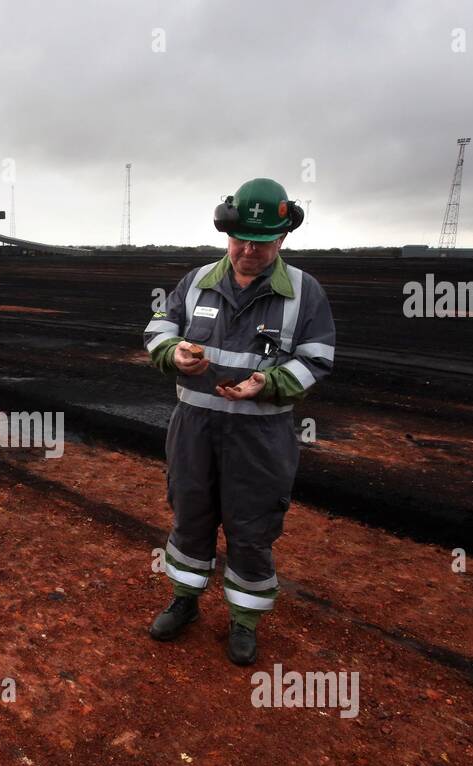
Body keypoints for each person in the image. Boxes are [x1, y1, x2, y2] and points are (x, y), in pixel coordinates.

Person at [142, 178, 336, 665]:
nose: (248, 249)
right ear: (227, 234)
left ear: (282, 239)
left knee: (251, 528)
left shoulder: (304, 294)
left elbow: (317, 359)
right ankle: (184, 601)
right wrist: (173, 352)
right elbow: (157, 330)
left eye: (262, 240)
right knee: (190, 514)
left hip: (260, 436)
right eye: (240, 238)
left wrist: (266, 384)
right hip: (194, 428)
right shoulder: (197, 280)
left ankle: (244, 621)